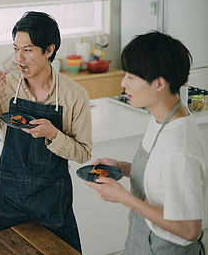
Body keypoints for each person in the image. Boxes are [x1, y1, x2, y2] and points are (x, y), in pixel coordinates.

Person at [0, 11, 92, 253]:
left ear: (49, 50)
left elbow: (83, 153)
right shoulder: (6, 87)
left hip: (52, 198)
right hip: (9, 195)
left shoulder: (74, 95)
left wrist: (54, 135)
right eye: (16, 48)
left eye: (27, 50)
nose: (19, 58)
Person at [86, 31, 207, 254]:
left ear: (159, 83)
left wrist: (124, 198)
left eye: (132, 77)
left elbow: (189, 229)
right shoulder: (159, 118)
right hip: (141, 238)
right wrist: (121, 168)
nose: (123, 83)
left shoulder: (180, 146)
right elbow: (162, 177)